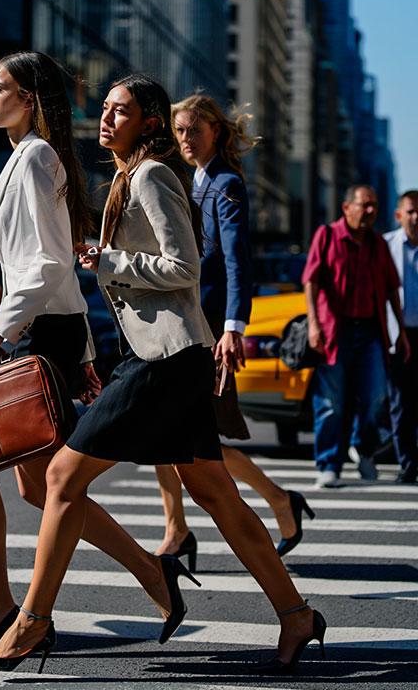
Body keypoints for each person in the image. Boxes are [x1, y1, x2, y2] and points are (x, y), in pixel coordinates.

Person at [0, 75, 325, 676]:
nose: (106, 119)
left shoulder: (153, 175)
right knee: (217, 497)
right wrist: (99, 256)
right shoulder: (127, 177)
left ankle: (32, 619)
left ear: (149, 123)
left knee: (60, 476)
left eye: (121, 111)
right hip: (162, 358)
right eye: (104, 109)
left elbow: (184, 267)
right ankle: (295, 614)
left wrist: (108, 261)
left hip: (166, 360)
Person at [0, 52, 191, 661]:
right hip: (41, 331)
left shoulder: (36, 158)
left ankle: (19, 603)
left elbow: (50, 264)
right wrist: (79, 349)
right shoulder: (25, 157)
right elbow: (53, 270)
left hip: (32, 335)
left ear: (29, 99)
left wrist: (2, 330)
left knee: (28, 477)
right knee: (11, 478)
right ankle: (7, 599)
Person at [154, 95, 315, 565]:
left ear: (216, 132)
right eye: (180, 131)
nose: (185, 139)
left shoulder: (225, 183)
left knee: (193, 438)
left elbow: (236, 261)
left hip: (206, 330)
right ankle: (180, 527)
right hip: (185, 323)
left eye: (194, 131)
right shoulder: (196, 179)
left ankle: (276, 501)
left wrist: (233, 327)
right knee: (170, 431)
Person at [303, 184, 410, 489]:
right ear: (346, 207)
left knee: (375, 398)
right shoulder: (327, 235)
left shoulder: (378, 243)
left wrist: (400, 330)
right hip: (334, 332)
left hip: (371, 332)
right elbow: (310, 280)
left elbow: (391, 288)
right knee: (330, 402)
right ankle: (328, 464)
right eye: (364, 205)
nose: (370, 211)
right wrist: (313, 324)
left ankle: (364, 451)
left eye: (374, 205)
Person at [384, 190, 418, 484]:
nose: (416, 217)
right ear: (399, 215)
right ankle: (408, 463)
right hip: (399, 334)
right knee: (401, 402)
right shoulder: (385, 245)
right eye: (410, 211)